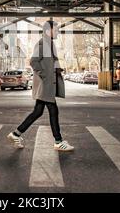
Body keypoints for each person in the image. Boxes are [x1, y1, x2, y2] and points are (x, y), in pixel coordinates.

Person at [7, 21, 74, 152]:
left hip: (47, 84)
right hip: (45, 85)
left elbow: (47, 63)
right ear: (49, 30)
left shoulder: (49, 44)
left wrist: (56, 70)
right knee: (53, 111)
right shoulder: (43, 44)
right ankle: (58, 141)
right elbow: (33, 61)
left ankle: (16, 134)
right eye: (56, 29)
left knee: (38, 112)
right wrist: (45, 75)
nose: (58, 32)